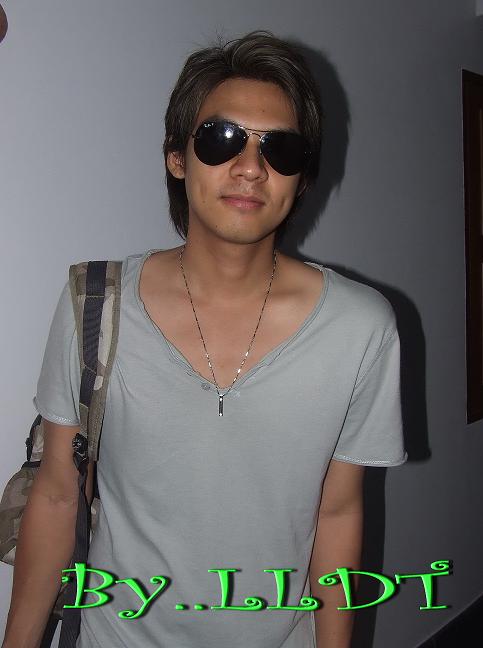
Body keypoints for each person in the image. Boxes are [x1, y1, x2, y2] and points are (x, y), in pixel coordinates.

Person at [3, 29, 407, 648]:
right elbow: (58, 495)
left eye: (280, 148)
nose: (250, 168)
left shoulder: (360, 328)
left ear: (301, 177)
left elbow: (339, 512)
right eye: (221, 139)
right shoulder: (96, 306)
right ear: (177, 156)